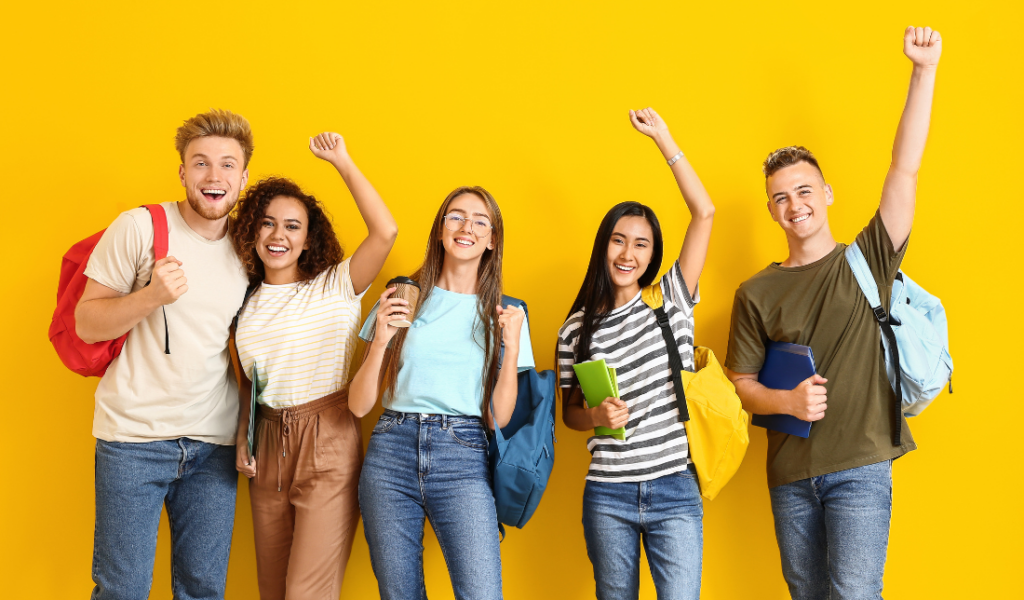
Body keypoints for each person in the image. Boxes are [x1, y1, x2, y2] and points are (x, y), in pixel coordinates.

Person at [724, 26, 942, 600]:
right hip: (790, 477)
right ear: (771, 210)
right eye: (780, 197)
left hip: (861, 468)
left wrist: (923, 72)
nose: (794, 205)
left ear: (827, 194)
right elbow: (740, 384)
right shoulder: (755, 292)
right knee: (806, 595)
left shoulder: (868, 258)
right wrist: (786, 402)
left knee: (855, 593)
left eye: (803, 191)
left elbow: (904, 169)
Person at [75, 109, 253, 599]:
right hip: (133, 440)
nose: (213, 177)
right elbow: (86, 323)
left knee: (202, 590)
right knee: (123, 590)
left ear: (243, 176)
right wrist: (151, 295)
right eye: (200, 163)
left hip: (212, 447)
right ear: (182, 172)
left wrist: (242, 433)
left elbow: (242, 352)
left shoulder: (247, 246)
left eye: (226, 165)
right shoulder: (139, 227)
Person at [230, 132, 397, 599]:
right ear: (252, 231)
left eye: (292, 226)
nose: (278, 235)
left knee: (307, 594)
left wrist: (342, 161)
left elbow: (385, 232)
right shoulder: (244, 303)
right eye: (267, 224)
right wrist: (242, 435)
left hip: (328, 442)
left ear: (308, 239)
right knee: (273, 591)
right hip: (265, 450)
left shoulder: (336, 287)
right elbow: (249, 383)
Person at [557, 108, 715, 600]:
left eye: (641, 245)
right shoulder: (574, 329)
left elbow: (705, 213)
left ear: (653, 254)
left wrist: (664, 141)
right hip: (607, 493)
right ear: (603, 246)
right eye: (618, 240)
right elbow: (571, 415)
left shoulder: (671, 298)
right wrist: (597, 414)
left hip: (674, 487)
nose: (628, 254)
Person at [348, 186, 532, 600]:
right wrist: (380, 340)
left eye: (480, 221)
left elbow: (497, 419)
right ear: (439, 229)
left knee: (481, 593)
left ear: (493, 239)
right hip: (390, 451)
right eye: (456, 216)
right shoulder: (402, 296)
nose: (467, 227)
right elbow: (358, 405)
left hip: (462, 455)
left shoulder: (505, 313)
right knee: (399, 593)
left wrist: (513, 346)